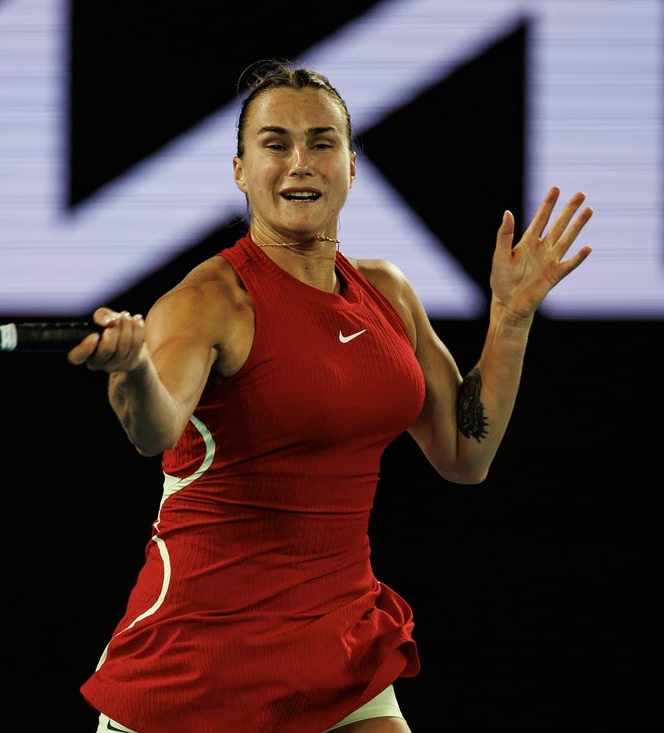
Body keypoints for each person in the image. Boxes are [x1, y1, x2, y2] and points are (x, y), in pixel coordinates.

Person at [66, 59, 593, 733]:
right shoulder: (207, 301)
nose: (299, 162)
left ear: (351, 164)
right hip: (199, 659)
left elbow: (465, 454)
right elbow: (156, 428)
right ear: (238, 170)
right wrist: (133, 369)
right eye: (274, 143)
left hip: (338, 649)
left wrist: (509, 318)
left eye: (321, 141)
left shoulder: (387, 293)